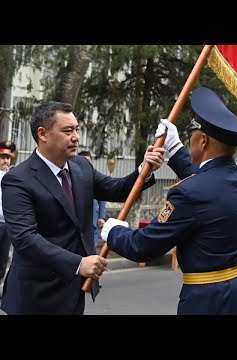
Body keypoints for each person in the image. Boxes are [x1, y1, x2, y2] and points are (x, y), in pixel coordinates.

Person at [101, 87, 237, 315]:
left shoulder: (188, 194)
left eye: (190, 133)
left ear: (202, 140)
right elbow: (208, 181)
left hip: (212, 302)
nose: (188, 138)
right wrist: (175, 149)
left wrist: (114, 232)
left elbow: (143, 247)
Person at [0, 101, 163, 315]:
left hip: (75, 289)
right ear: (43, 134)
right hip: (36, 294)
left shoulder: (80, 166)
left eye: (77, 129)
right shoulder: (18, 179)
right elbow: (25, 239)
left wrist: (145, 169)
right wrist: (78, 263)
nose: (76, 137)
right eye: (68, 131)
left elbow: (117, 190)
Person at [78, 150, 107, 249]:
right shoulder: (71, 177)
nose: (87, 165)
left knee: (92, 249)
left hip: (93, 221)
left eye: (89, 162)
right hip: (79, 223)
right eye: (84, 162)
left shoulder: (94, 177)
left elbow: (102, 198)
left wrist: (102, 217)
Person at [0, 140, 16, 299]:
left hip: (7, 224)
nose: (5, 160)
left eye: (8, 157)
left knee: (3, 259)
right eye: (2, 157)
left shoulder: (13, 176)